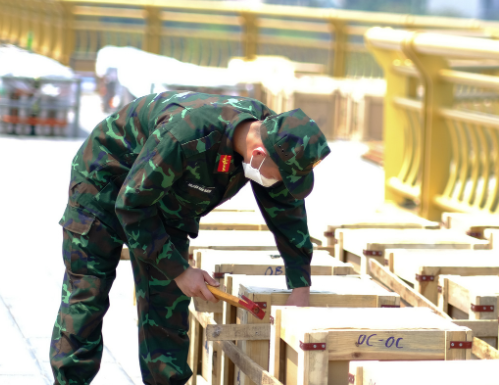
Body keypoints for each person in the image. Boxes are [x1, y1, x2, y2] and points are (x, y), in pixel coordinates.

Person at [49, 92, 331, 384]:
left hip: (167, 201)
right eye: (282, 177)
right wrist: (181, 270)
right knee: (87, 298)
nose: (281, 184)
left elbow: (287, 211)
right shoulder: (185, 135)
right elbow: (131, 205)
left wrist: (300, 285)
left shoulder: (275, 136)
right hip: (104, 186)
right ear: (258, 154)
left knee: (166, 309)